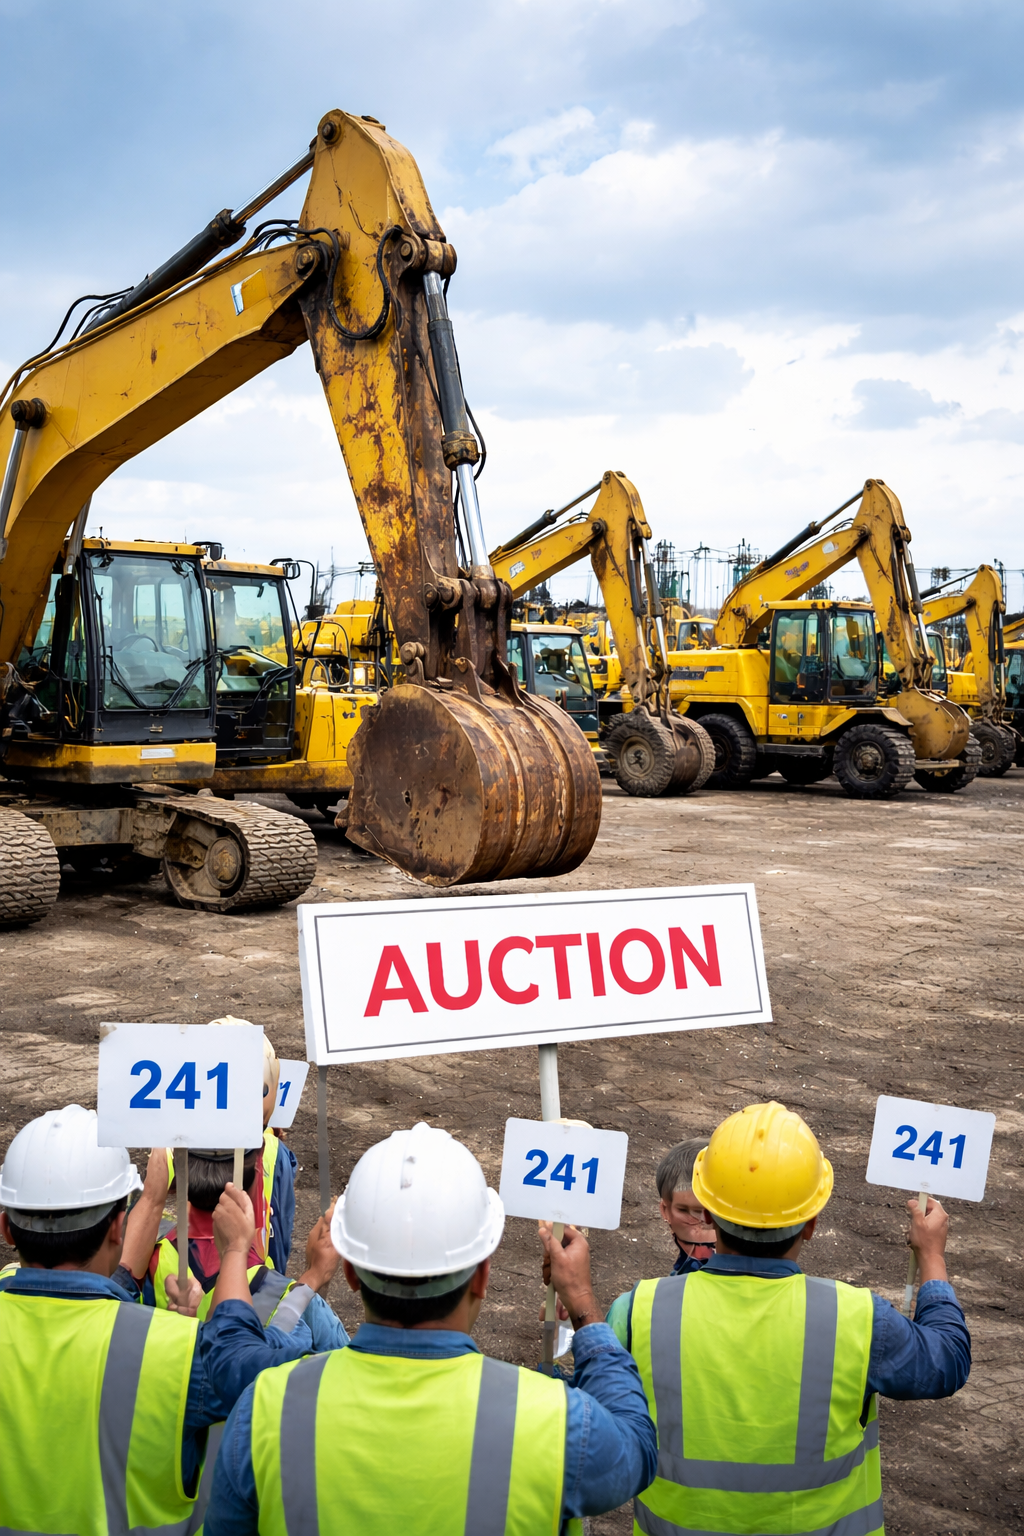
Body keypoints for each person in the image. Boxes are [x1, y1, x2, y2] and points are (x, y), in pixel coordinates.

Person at [204, 1121, 657, 1536]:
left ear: (351, 1275)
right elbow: (636, 1448)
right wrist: (581, 1302)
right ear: (481, 1275)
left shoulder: (264, 1409)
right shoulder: (555, 1421)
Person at [621, 1100, 971, 1536]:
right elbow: (946, 1362)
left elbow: (590, 1420)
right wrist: (932, 1258)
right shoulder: (860, 1318)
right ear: (810, 1223)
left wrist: (575, 1310)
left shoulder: (639, 1310)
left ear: (708, 1212)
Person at [0, 1104, 336, 1536]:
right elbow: (250, 1369)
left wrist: (155, 1199)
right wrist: (294, 1274)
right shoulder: (172, 1350)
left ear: (7, 1230)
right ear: (118, 1228)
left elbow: (95, 1289)